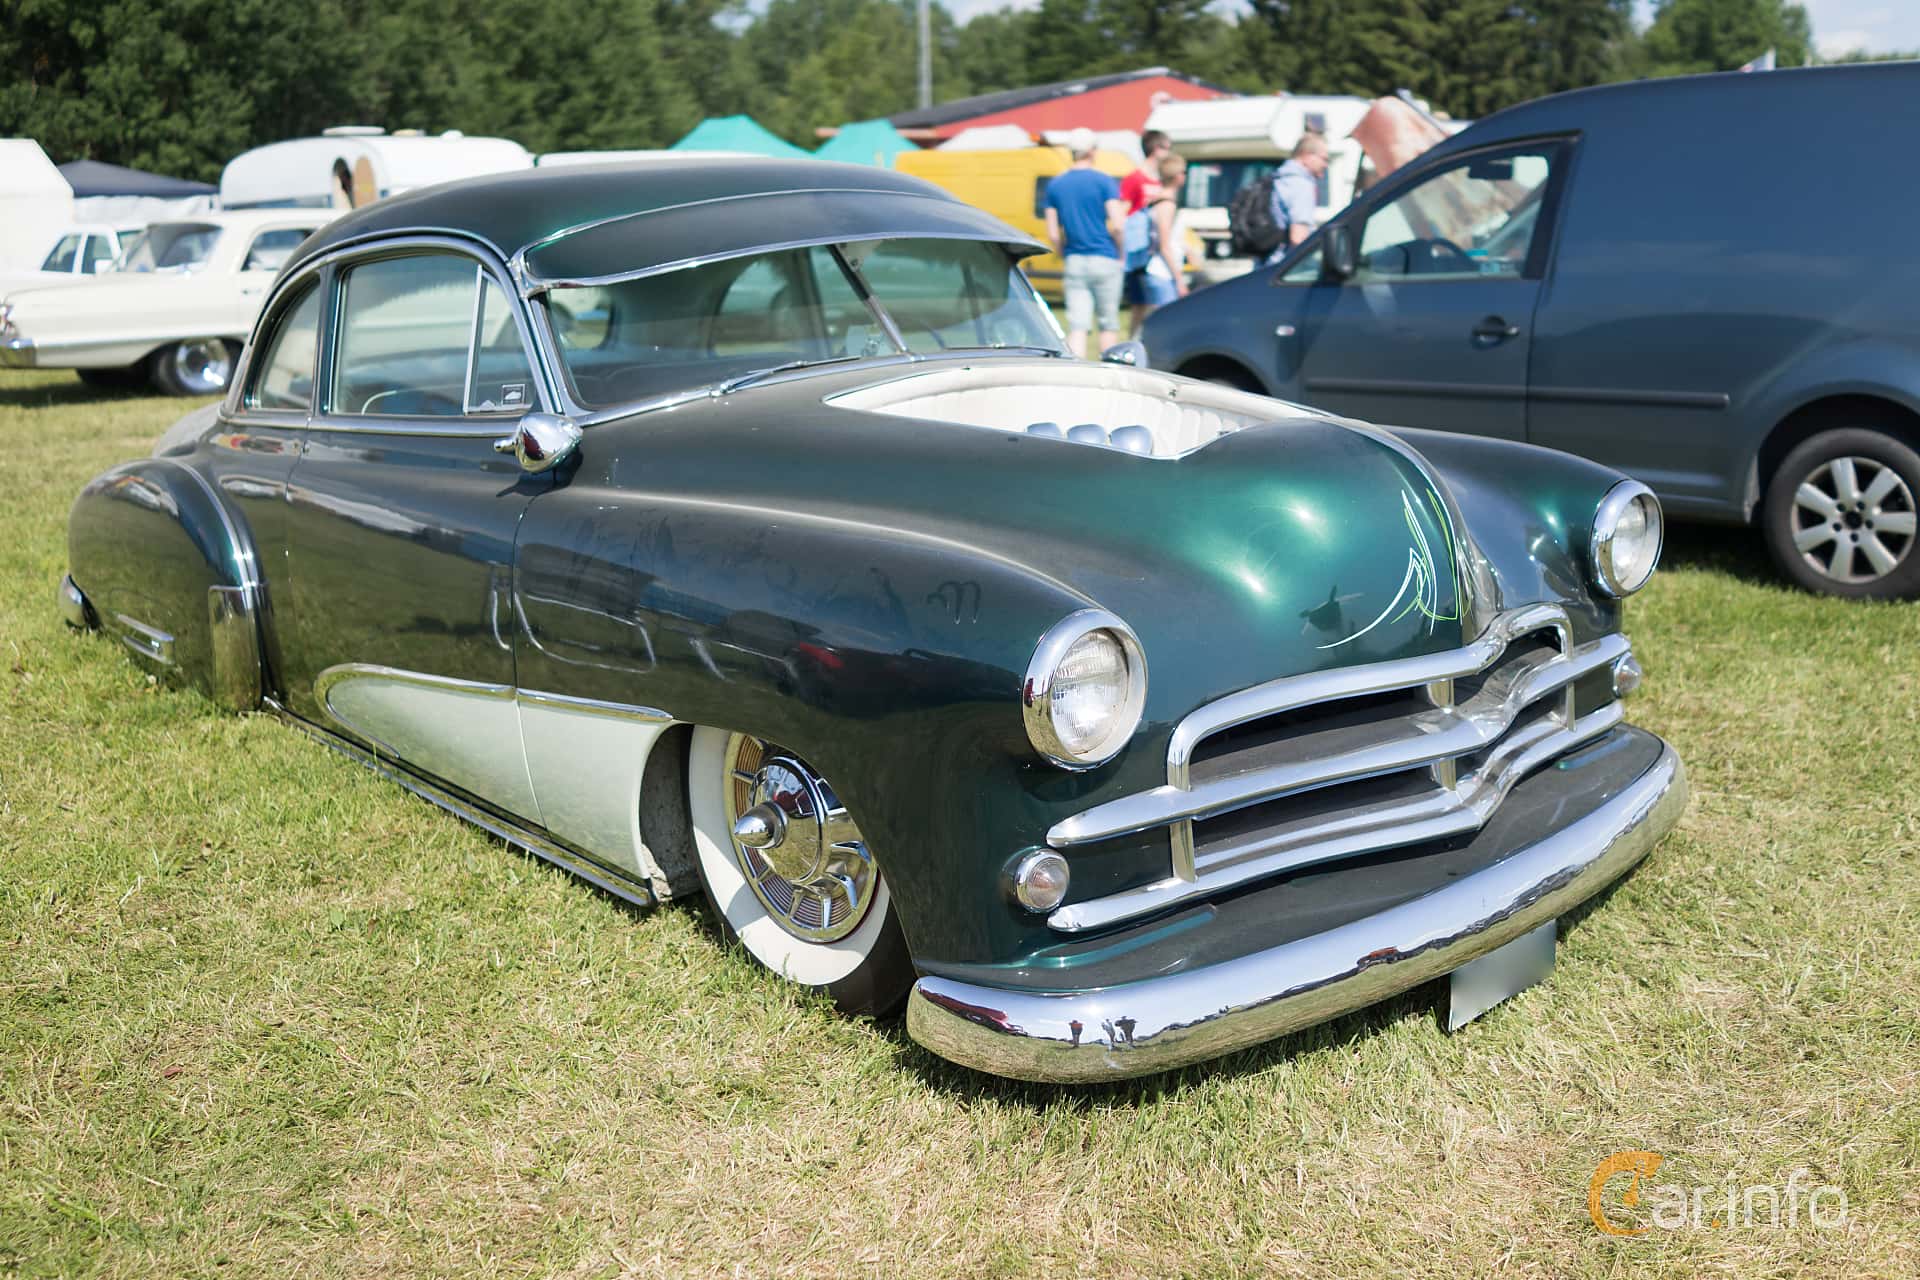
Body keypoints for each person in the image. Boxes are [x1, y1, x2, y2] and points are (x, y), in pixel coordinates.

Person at [1043, 128, 1126, 358]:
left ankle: (1075, 371)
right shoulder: (1104, 182)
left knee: (1078, 326)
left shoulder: (1056, 185)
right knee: (1108, 323)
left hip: (1074, 259)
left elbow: (1053, 232)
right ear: (1091, 151)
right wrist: (1120, 253)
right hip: (1104, 257)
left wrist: (1062, 253)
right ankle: (1110, 371)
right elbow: (1118, 224)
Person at [1124, 153, 1189, 336]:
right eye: (1184, 172)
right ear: (1177, 176)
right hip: (1161, 271)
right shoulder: (1166, 205)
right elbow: (1165, 245)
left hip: (1156, 269)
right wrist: (1179, 279)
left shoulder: (1156, 201)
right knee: (1167, 324)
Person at [1265, 132, 1330, 263]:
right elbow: (1299, 238)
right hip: (1284, 270)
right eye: (1324, 159)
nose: (1326, 165)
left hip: (1266, 264)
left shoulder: (1280, 178)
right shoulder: (1300, 184)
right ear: (1307, 156)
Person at [1120, 129, 1171, 215]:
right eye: (1167, 148)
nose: (1169, 153)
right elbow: (1122, 211)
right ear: (1156, 148)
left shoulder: (1161, 179)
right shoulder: (1134, 178)